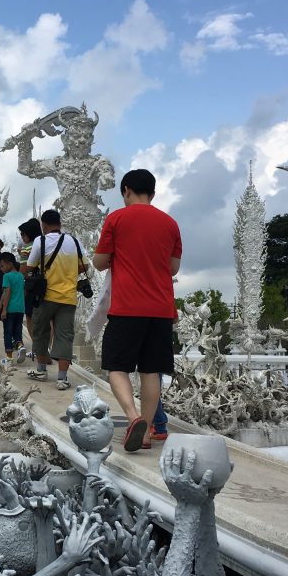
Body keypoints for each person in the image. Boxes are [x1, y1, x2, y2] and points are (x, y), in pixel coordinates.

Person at [92, 168, 181, 452]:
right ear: (152, 194)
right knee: (151, 371)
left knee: (116, 367)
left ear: (126, 191)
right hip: (161, 309)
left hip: (127, 307)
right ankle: (148, 429)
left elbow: (99, 261)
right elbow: (173, 268)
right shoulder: (170, 223)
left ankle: (133, 419)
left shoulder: (116, 218)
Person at [23, 209, 86, 391]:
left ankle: (42, 370)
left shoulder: (40, 241)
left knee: (41, 331)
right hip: (68, 297)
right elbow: (84, 266)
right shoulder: (74, 241)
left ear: (44, 225)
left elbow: (30, 266)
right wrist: (69, 275)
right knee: (65, 335)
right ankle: (62, 378)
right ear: (60, 223)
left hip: (45, 295)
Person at [17, 218, 42, 348]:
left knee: (30, 316)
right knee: (47, 318)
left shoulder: (26, 248)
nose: (22, 237)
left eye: (23, 234)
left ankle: (37, 345)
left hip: (31, 286)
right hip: (47, 284)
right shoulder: (45, 244)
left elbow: (23, 271)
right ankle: (48, 345)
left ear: (29, 234)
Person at [0, 252, 26, 362]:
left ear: (10, 264)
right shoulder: (20, 276)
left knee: (8, 332)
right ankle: (20, 346)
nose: (1, 269)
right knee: (17, 331)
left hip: (10, 309)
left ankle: (9, 358)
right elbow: (23, 292)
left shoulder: (7, 276)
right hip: (20, 309)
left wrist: (4, 309)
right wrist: (0, 304)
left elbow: (7, 292)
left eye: (2, 266)